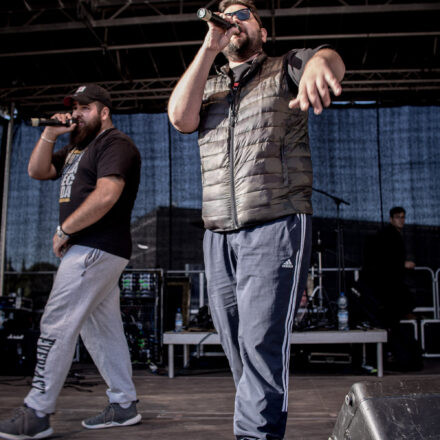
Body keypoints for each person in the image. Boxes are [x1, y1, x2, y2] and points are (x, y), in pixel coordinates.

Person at [168, 1, 345, 439]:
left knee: (261, 341)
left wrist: (324, 64)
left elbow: (325, 59)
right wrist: (210, 46)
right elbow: (179, 117)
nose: (232, 19)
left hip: (276, 220)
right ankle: (255, 424)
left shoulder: (284, 66)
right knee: (236, 345)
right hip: (218, 231)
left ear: (263, 32)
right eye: (226, 13)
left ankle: (255, 435)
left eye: (243, 13)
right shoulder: (208, 85)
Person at [0, 84, 142, 439]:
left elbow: (107, 194)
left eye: (84, 108)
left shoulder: (115, 144)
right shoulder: (78, 148)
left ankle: (37, 411)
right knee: (101, 331)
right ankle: (124, 404)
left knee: (57, 323)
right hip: (95, 249)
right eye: (72, 108)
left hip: (95, 246)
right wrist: (50, 133)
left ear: (104, 111)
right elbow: (37, 170)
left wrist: (65, 228)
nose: (75, 113)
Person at [359, 206, 421, 370]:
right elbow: (385, 262)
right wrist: (402, 264)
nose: (401, 220)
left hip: (390, 289)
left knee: (392, 323)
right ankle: (391, 355)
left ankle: (393, 355)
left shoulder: (393, 235)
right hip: (388, 290)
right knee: (390, 322)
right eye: (398, 217)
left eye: (403, 217)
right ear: (391, 219)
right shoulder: (389, 235)